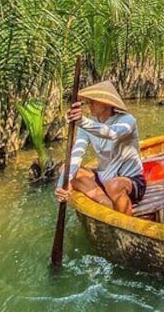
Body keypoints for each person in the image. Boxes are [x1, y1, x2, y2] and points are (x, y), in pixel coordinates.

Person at [55, 80, 146, 215]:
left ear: (107, 103)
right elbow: (76, 154)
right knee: (65, 170)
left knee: (114, 186)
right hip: (103, 179)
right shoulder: (86, 126)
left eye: (94, 101)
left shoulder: (127, 120)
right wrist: (62, 185)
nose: (90, 105)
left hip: (131, 182)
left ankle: (123, 222)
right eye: (89, 101)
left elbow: (112, 133)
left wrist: (82, 122)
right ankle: (107, 206)